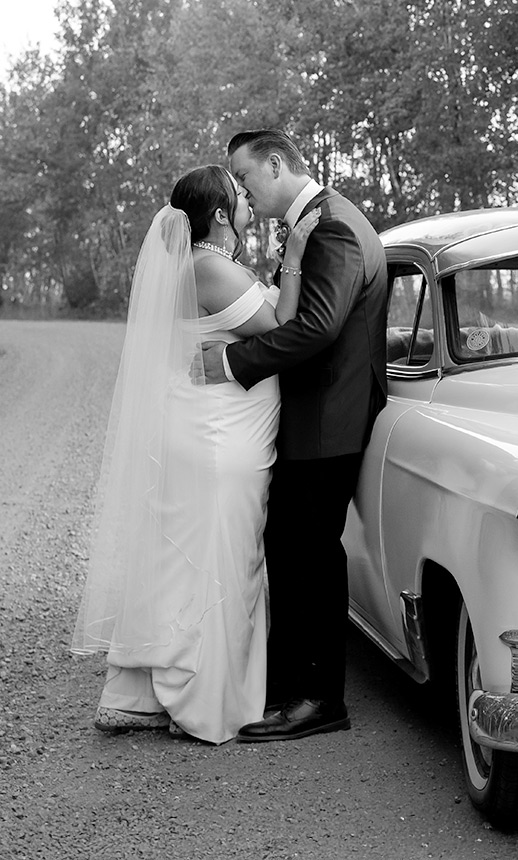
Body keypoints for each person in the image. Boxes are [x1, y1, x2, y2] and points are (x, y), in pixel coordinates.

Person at [70, 165, 320, 744]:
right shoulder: (209, 268)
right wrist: (298, 253)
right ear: (218, 215)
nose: (249, 204)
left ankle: (153, 686)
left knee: (190, 557)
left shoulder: (200, 267)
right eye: (240, 197)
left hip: (210, 428)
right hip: (218, 440)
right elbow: (282, 324)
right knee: (222, 557)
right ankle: (206, 699)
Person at [194, 129, 388, 743]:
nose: (242, 190)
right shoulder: (316, 223)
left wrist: (231, 364)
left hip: (330, 419)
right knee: (294, 551)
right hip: (316, 418)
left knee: (309, 555)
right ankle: (289, 687)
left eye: (245, 177)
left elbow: (317, 328)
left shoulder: (331, 226)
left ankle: (319, 697)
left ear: (275, 164)